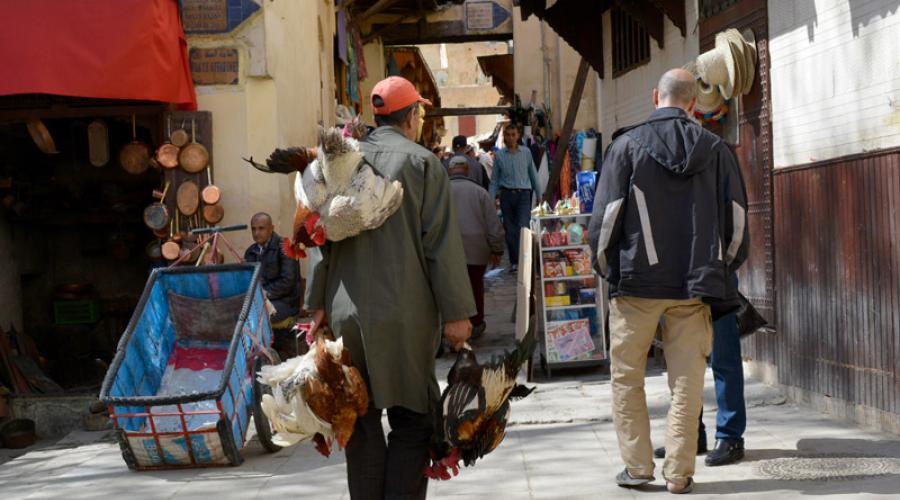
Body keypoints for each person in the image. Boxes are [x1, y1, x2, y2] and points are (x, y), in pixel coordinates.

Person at [305, 76, 475, 500]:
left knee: (359, 422)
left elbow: (319, 240)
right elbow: (440, 245)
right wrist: (457, 315)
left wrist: (316, 305)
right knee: (413, 422)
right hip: (405, 316)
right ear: (413, 116)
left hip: (346, 313)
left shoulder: (342, 160)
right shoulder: (422, 163)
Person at [587, 68, 748, 494]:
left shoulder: (625, 147)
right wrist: (720, 270)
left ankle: (638, 469)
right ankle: (679, 474)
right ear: (694, 104)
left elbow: (604, 222)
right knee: (688, 380)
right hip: (695, 286)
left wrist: (611, 270)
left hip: (637, 285)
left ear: (654, 96)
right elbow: (737, 224)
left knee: (627, 377)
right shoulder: (716, 150)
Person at [448, 154, 505, 340]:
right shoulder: (480, 192)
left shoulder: (441, 191)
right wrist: (497, 249)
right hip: (477, 248)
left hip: (449, 249)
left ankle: (454, 325)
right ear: (466, 170)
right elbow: (493, 225)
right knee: (475, 286)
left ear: (450, 170)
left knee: (451, 288)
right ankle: (476, 323)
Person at [244, 212, 301, 357]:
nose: (256, 233)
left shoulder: (285, 247)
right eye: (253, 229)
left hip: (285, 302)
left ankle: (267, 356)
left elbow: (288, 282)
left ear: (272, 228)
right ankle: (252, 360)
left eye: (261, 228)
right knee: (241, 315)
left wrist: (263, 294)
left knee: (258, 317)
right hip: (261, 301)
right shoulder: (251, 252)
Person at [489, 123, 541, 272]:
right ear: (504, 137)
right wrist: (490, 200)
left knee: (523, 227)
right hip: (506, 196)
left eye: (513, 134)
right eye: (508, 135)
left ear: (518, 136)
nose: (511, 138)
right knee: (510, 230)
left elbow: (533, 174)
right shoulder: (499, 156)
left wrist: (539, 194)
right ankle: (515, 262)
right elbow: (494, 181)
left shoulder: (526, 153)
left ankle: (526, 260)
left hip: (523, 195)